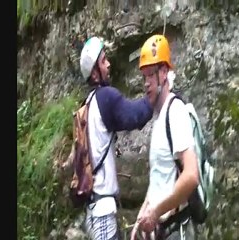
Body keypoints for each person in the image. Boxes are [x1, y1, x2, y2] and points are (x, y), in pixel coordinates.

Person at [78, 36, 154, 240]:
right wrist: (155, 93)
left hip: (94, 210)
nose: (109, 64)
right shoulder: (106, 97)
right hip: (103, 211)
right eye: (104, 61)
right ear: (95, 73)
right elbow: (133, 116)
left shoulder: (88, 103)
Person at [130, 34, 199, 240]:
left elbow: (191, 176)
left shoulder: (176, 111)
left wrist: (156, 211)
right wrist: (143, 213)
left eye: (151, 74)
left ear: (164, 72)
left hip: (177, 229)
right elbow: (159, 178)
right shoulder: (159, 119)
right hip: (163, 231)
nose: (146, 83)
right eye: (144, 77)